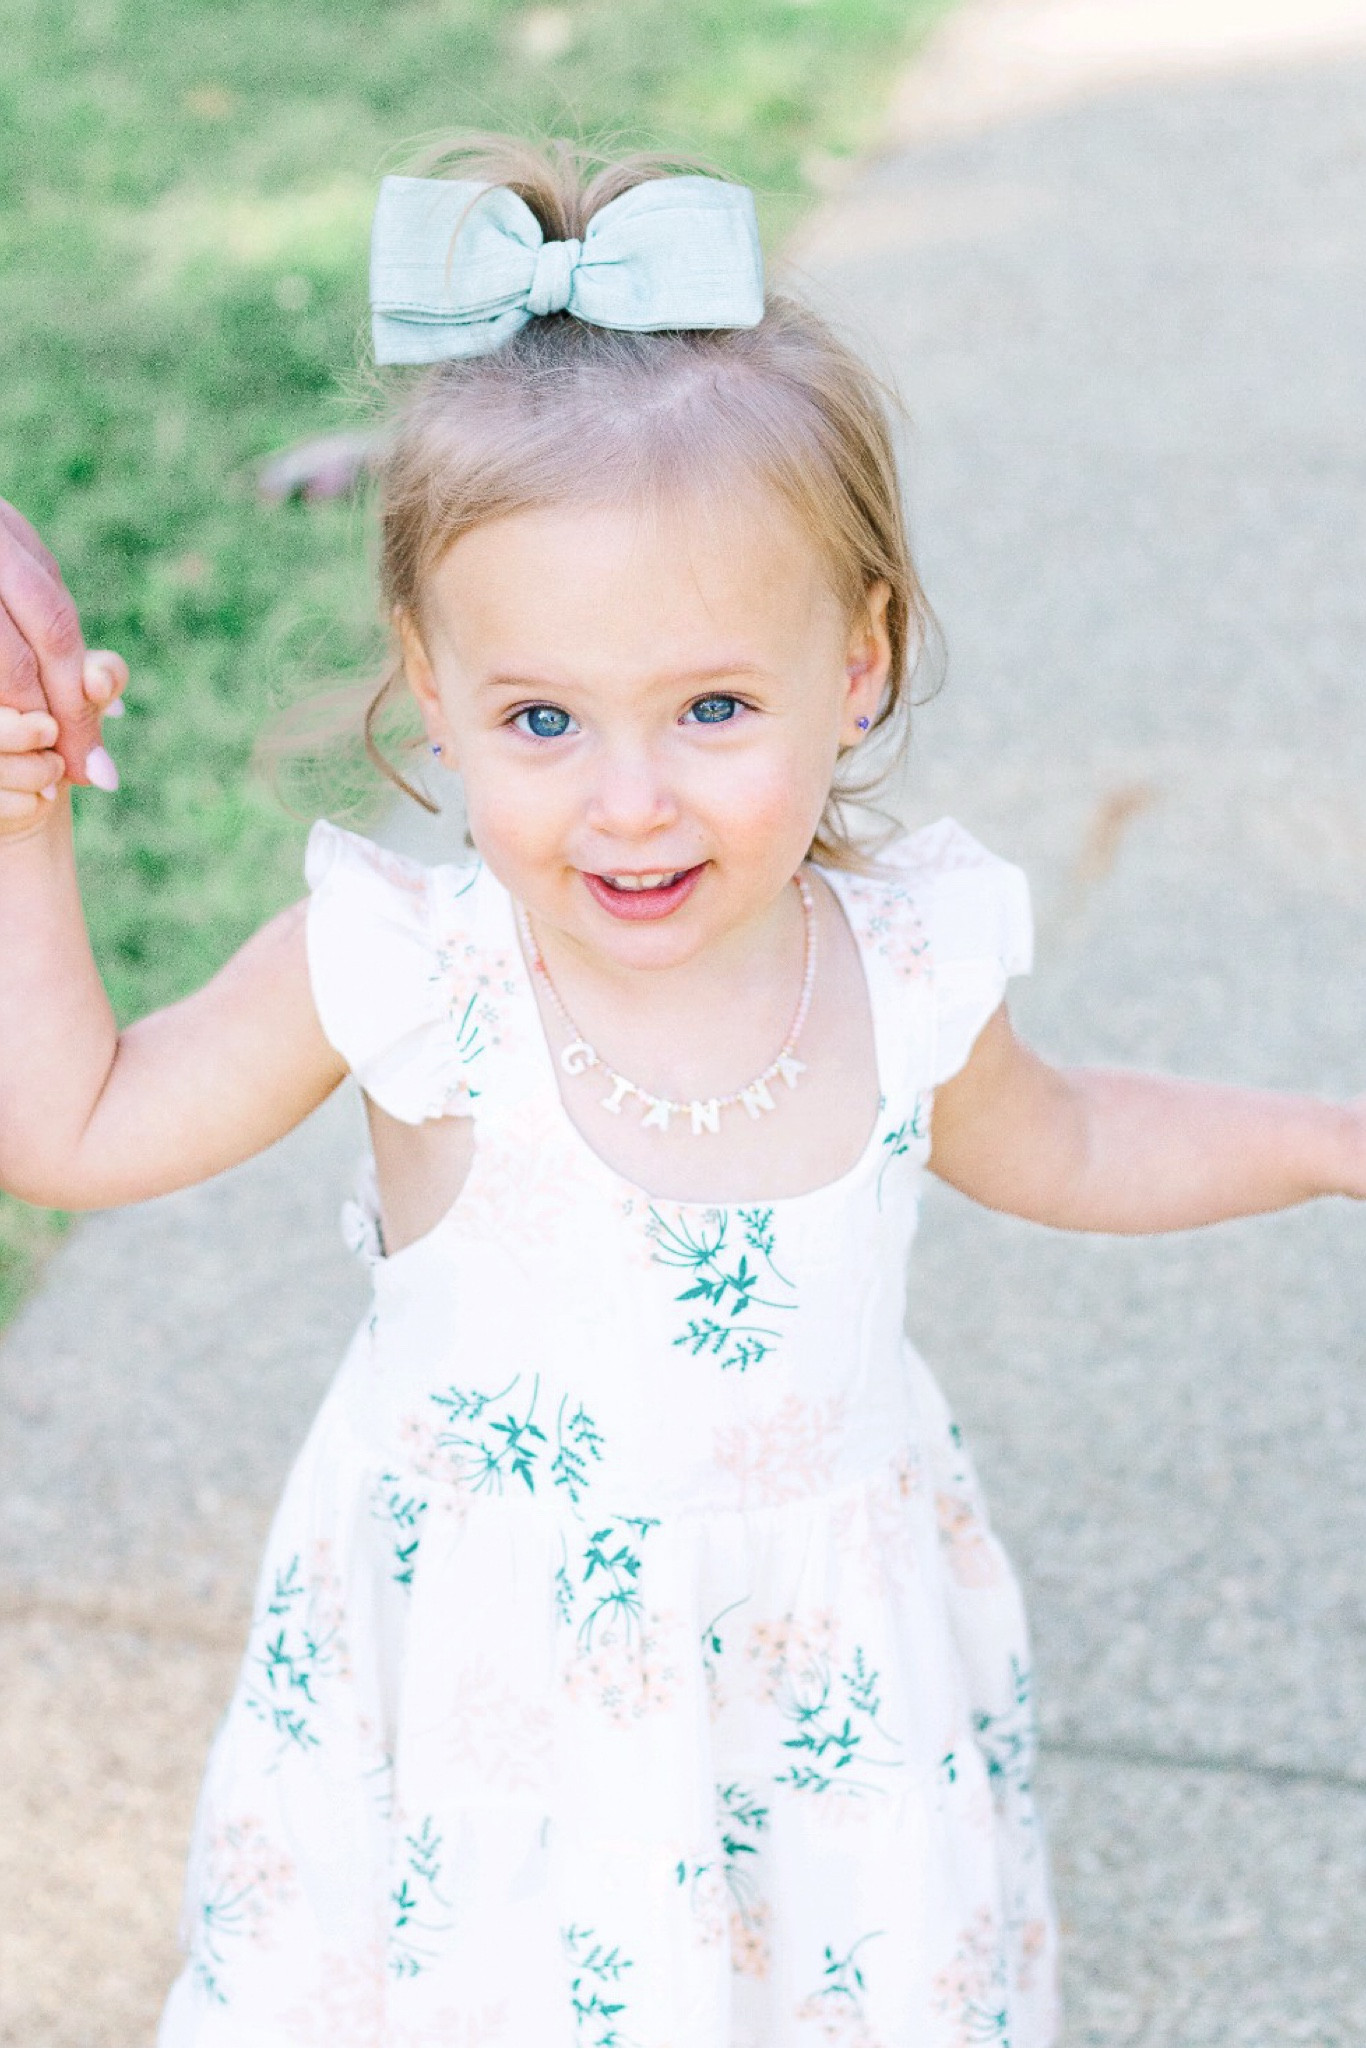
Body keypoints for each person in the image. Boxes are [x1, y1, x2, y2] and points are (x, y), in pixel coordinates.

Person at [0, 137, 1360, 2049]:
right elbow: (73, 1125)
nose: (627, 796)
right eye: (542, 719)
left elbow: (1070, 1138)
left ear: (857, 666)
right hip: (493, 1752)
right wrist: (18, 826)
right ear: (434, 683)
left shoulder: (898, 967)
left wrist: (1327, 1142)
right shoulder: (410, 966)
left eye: (713, 707)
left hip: (818, 1730)